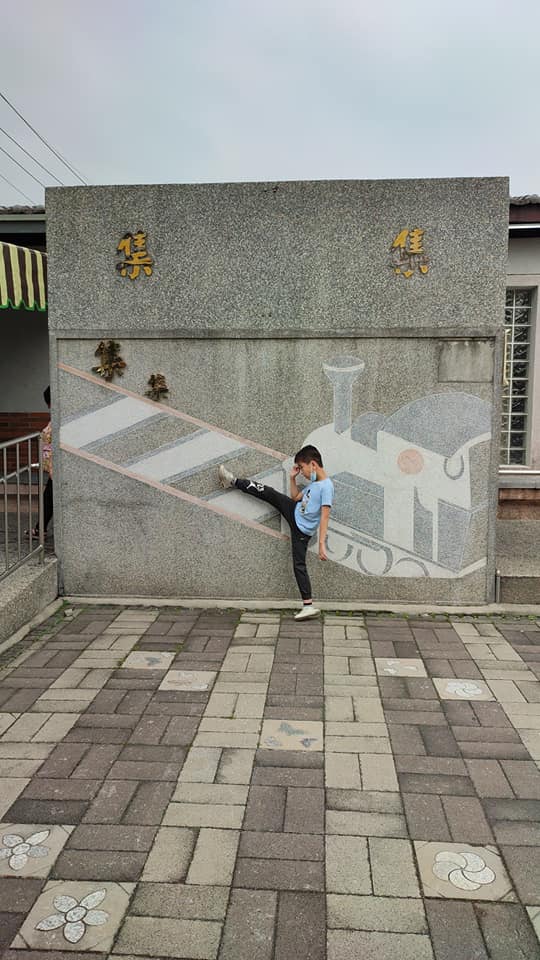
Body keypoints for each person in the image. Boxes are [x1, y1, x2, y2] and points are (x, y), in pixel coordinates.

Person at [218, 444, 334, 620]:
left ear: (313, 464)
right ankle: (233, 481)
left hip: (302, 530)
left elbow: (325, 516)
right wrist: (292, 478)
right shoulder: (315, 484)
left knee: (299, 565)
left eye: (301, 467)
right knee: (269, 493)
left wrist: (321, 545)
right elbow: (296, 497)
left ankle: (308, 606)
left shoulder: (327, 487)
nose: (302, 472)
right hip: (294, 511)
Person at [29, 386, 53, 539]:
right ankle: (40, 528)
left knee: (49, 498)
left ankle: (40, 529)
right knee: (48, 497)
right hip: (54, 467)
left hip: (56, 467)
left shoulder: (58, 418)